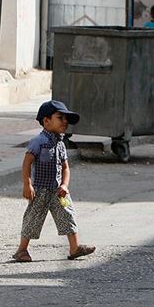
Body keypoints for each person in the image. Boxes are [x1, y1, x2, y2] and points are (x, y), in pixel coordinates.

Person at [13, 100, 96, 263]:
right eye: (60, 118)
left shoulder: (61, 144)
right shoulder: (38, 142)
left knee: (68, 215)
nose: (65, 122)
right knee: (33, 218)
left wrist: (65, 184)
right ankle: (22, 250)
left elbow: (65, 168)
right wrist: (27, 184)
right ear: (46, 121)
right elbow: (27, 163)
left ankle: (74, 248)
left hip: (59, 192)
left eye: (66, 119)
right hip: (41, 191)